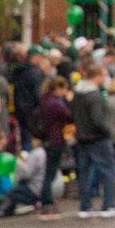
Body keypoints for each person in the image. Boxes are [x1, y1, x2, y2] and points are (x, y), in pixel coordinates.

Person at [71, 63, 115, 217]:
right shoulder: (95, 95)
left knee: (85, 173)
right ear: (97, 77)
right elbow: (98, 119)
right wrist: (107, 131)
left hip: (82, 137)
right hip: (98, 138)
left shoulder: (77, 93)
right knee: (108, 170)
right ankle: (109, 205)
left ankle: (85, 206)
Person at [37, 76, 72, 217]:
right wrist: (69, 102)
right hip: (56, 139)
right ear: (57, 88)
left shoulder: (44, 100)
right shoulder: (55, 103)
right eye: (64, 89)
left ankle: (47, 201)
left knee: (49, 171)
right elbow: (69, 116)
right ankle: (47, 202)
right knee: (50, 173)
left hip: (48, 139)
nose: (65, 92)